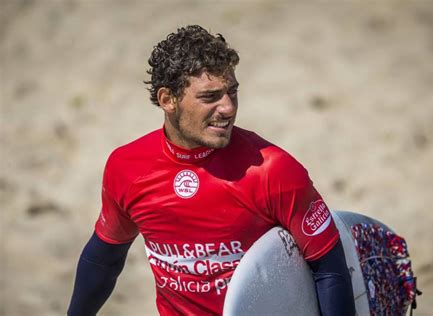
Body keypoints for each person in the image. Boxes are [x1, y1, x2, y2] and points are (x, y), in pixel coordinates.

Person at [67, 25, 355, 315]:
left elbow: (329, 270)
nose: (228, 107)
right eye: (210, 97)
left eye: (232, 92)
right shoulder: (127, 168)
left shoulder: (271, 170)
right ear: (168, 100)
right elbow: (105, 259)